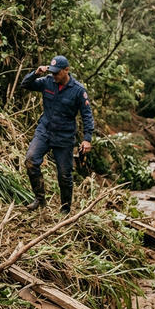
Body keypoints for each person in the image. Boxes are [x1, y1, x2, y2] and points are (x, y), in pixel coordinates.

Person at [21, 56, 94, 215]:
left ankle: (65, 209)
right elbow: (25, 84)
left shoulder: (78, 90)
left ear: (67, 70)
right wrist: (35, 73)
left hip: (64, 136)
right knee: (31, 160)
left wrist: (87, 138)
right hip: (45, 130)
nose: (54, 75)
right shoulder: (47, 81)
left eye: (57, 72)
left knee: (64, 174)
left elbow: (87, 115)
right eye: (52, 72)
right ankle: (40, 199)